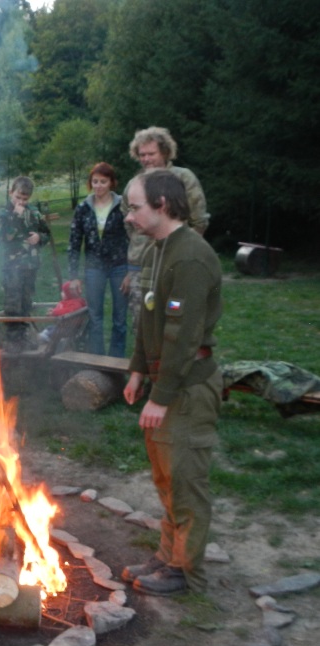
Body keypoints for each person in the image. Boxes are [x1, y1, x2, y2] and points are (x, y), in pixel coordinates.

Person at [121, 170, 222, 597]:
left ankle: (184, 571)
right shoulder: (157, 250)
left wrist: (160, 397)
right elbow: (149, 320)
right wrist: (137, 370)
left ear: (162, 205)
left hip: (187, 387)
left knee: (185, 480)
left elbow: (183, 335)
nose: (129, 216)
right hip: (164, 379)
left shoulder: (191, 257)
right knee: (166, 479)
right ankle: (167, 556)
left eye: (135, 207)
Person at [121, 127, 209, 335]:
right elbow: (128, 222)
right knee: (142, 325)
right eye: (142, 155)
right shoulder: (134, 184)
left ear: (165, 152)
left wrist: (188, 251)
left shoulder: (183, 178)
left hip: (176, 263)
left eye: (151, 154)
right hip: (141, 265)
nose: (146, 159)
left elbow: (198, 220)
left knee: (176, 321)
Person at [67, 162, 130, 357]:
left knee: (120, 318)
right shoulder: (83, 208)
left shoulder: (123, 206)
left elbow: (135, 238)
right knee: (95, 317)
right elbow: (74, 242)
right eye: (95, 181)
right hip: (94, 267)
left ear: (111, 183)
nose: (99, 186)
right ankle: (97, 360)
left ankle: (116, 362)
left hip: (120, 267)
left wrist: (132, 271)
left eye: (103, 181)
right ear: (90, 183)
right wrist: (74, 276)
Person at [0, 176, 50, 350]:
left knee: (26, 302)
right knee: (13, 303)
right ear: (11, 193)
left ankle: (24, 336)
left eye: (25, 199)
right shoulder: (4, 214)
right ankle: (12, 340)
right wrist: (15, 217)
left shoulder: (34, 213)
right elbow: (4, 237)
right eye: (18, 197)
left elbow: (46, 233)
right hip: (12, 267)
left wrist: (39, 237)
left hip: (30, 265)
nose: (21, 202)